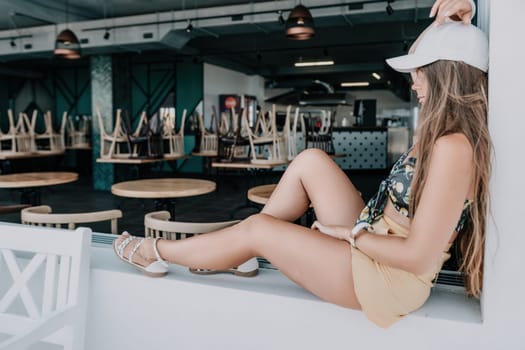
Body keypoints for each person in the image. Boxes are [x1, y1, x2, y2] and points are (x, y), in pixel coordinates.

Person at [113, 0, 488, 328]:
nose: (413, 81)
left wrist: (353, 237)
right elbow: (444, 48)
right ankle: (237, 253)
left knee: (259, 228)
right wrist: (456, 19)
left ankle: (155, 251)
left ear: (444, 74)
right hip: (375, 234)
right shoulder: (441, 133)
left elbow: (417, 256)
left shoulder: (454, 147)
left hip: (388, 277)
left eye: (420, 71)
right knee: (311, 160)